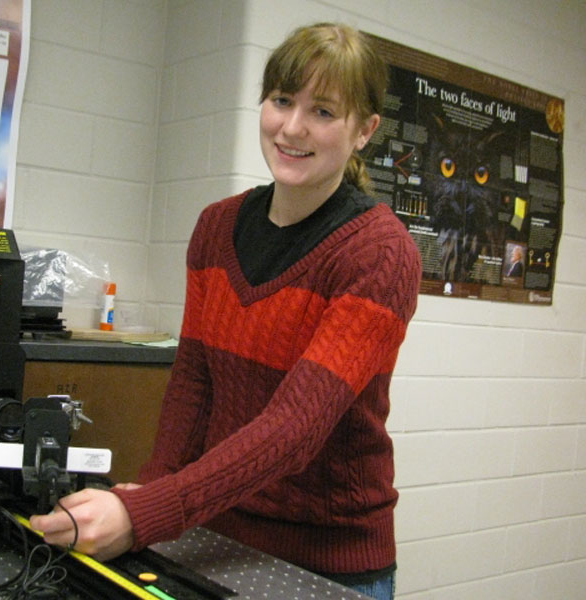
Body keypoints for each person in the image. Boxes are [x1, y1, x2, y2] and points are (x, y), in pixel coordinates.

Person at [30, 22, 422, 600]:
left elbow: (296, 428)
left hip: (329, 563)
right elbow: (194, 381)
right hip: (217, 536)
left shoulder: (380, 254)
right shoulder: (217, 226)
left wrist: (146, 513)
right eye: (283, 101)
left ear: (365, 130)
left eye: (323, 112)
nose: (292, 128)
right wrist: (150, 497)